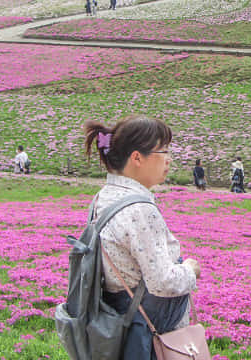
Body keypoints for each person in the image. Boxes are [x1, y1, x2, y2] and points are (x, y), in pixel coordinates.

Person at [82, 115, 200, 359]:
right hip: (151, 328)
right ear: (137, 157)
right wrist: (190, 269)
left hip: (119, 319)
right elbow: (163, 282)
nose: (169, 160)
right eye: (163, 151)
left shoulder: (103, 197)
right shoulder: (140, 209)